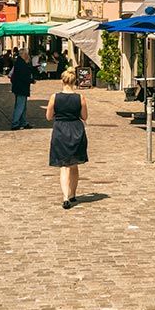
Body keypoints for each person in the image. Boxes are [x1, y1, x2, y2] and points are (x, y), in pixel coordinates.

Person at [45, 68, 88, 210]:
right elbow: (85, 116)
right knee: (74, 165)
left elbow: (48, 116)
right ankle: (73, 194)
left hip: (60, 131)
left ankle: (65, 197)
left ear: (62, 81)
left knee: (64, 167)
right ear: (75, 82)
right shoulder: (80, 97)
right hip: (76, 130)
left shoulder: (54, 97)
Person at [10, 49, 35, 130]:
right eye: (27, 54)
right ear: (24, 55)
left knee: (22, 106)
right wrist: (31, 80)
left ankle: (23, 122)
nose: (28, 56)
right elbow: (24, 76)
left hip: (18, 87)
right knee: (20, 106)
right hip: (21, 87)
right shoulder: (22, 64)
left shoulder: (19, 62)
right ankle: (15, 123)